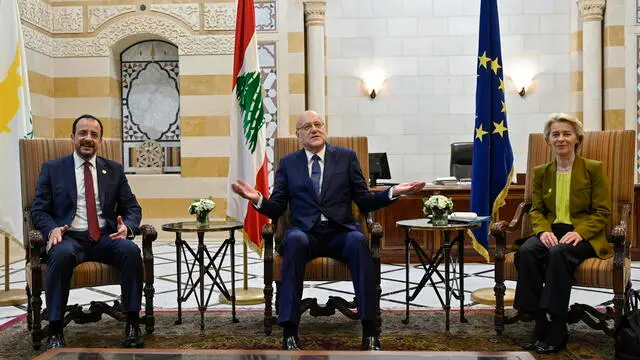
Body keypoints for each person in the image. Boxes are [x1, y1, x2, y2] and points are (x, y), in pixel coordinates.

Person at [232, 110, 424, 351]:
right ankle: (290, 333)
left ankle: (369, 331)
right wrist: (257, 198)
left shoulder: (346, 157)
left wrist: (393, 192)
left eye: (318, 124)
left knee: (358, 241)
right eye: (307, 127)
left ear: (324, 128)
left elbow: (363, 200)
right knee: (295, 241)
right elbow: (277, 208)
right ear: (298, 135)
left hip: (340, 232)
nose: (314, 129)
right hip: (305, 234)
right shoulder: (288, 164)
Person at [31, 114, 145, 349]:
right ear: (72, 137)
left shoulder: (113, 169)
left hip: (106, 236)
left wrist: (127, 227)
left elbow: (132, 207)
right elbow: (38, 210)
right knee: (60, 255)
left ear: (100, 140)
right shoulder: (53, 169)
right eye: (83, 133)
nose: (88, 138)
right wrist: (52, 228)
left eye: (94, 134)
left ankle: (133, 323)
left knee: (130, 251)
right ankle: (54, 329)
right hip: (69, 236)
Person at [514, 113, 611, 354]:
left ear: (577, 138)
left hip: (584, 234)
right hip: (552, 230)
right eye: (555, 134)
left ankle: (556, 325)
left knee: (559, 253)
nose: (561, 139)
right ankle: (538, 320)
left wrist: (580, 232)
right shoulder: (542, 171)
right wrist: (543, 230)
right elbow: (537, 210)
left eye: (566, 134)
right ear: (548, 140)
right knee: (526, 251)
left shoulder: (593, 169)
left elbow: (602, 211)